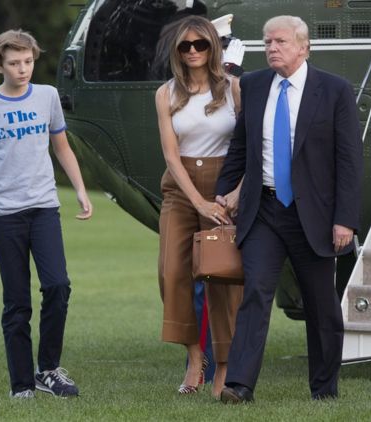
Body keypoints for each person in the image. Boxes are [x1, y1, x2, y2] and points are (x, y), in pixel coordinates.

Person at [215, 15, 363, 403]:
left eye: (280, 42)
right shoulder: (254, 84)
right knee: (256, 293)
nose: (272, 48)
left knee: (321, 304)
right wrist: (223, 190)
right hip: (263, 210)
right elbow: (241, 146)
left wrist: (345, 219)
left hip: (312, 214)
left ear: (303, 47)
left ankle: (324, 388)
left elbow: (349, 161)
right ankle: (240, 385)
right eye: (267, 43)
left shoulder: (334, 91)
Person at [0, 29, 93, 399]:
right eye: (14, 63)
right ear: (0, 65)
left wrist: (79, 190)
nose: (23, 68)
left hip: (44, 208)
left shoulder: (46, 97)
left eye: (28, 61)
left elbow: (62, 147)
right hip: (3, 215)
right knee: (17, 302)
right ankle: (21, 385)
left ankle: (48, 369)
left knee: (58, 286)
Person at [155, 15, 243, 399]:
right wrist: (198, 202)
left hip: (225, 186)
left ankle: (224, 365)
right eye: (185, 46)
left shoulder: (234, 89)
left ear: (213, 47)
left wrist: (234, 194)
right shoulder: (166, 94)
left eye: (200, 45)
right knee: (171, 272)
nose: (192, 52)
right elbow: (171, 156)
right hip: (182, 189)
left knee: (223, 277)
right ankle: (195, 357)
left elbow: (249, 147)